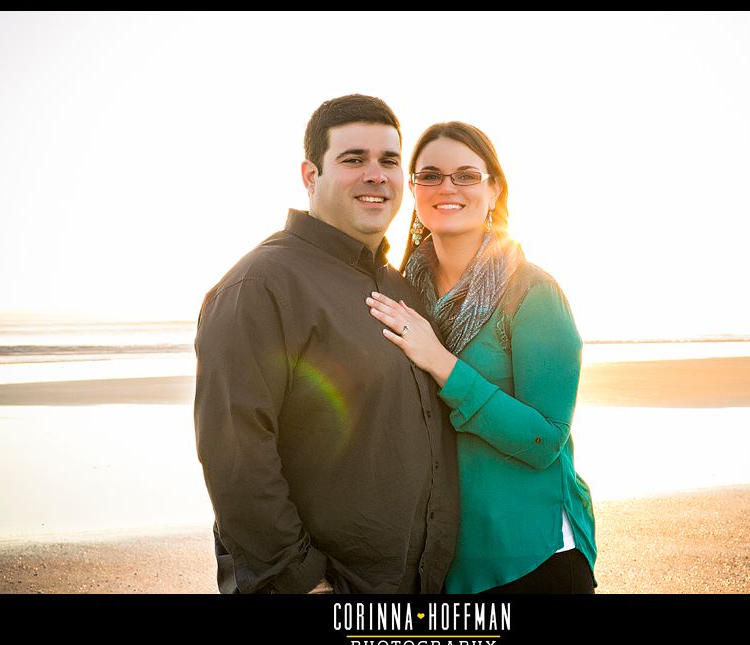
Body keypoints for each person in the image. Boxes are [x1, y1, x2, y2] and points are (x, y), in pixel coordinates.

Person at [194, 95, 459, 594]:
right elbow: (236, 455)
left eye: (389, 161)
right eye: (353, 159)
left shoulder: (399, 288)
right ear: (310, 175)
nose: (376, 175)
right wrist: (302, 581)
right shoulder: (259, 285)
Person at [365, 121, 597, 593]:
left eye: (466, 175)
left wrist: (441, 362)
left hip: (532, 557)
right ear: (413, 189)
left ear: (493, 190)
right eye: (429, 175)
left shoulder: (532, 292)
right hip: (441, 564)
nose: (446, 187)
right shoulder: (403, 293)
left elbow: (544, 441)